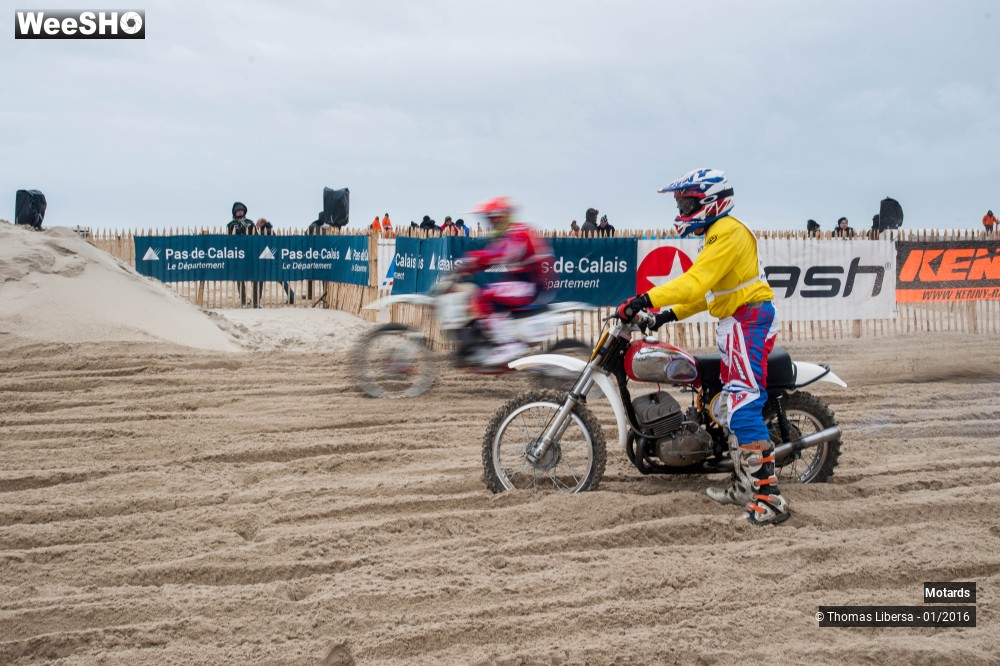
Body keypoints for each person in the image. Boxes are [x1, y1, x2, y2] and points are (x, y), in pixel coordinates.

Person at [614, 168, 788, 526]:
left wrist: (644, 299)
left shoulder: (727, 232)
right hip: (738, 321)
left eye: (686, 203)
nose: (682, 210)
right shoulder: (717, 234)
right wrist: (665, 316)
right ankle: (745, 486)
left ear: (710, 202)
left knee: (742, 407)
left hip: (748, 321)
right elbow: (705, 292)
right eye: (680, 204)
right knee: (725, 407)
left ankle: (769, 499)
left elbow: (694, 283)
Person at [454, 196, 552, 367]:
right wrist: (469, 267)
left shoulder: (519, 232)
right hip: (524, 284)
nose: (490, 223)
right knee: (485, 299)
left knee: (484, 294)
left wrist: (471, 259)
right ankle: (489, 342)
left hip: (531, 286)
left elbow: (500, 254)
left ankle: (508, 344)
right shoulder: (510, 234)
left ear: (502, 217)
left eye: (492, 219)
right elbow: (492, 258)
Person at [256, 217, 295, 305]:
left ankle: (257, 298)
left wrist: (266, 255)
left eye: (257, 223)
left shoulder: (266, 231)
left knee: (260, 278)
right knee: (280, 279)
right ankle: (292, 296)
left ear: (262, 223)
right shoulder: (270, 230)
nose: (256, 225)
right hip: (271, 259)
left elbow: (269, 246)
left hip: (268, 259)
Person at [227, 202, 256, 308]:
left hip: (250, 254)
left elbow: (256, 237)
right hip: (238, 255)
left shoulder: (250, 222)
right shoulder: (231, 224)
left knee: (255, 278)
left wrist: (248, 231)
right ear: (234, 212)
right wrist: (236, 233)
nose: (240, 212)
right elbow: (228, 239)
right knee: (240, 279)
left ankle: (256, 301)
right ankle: (243, 302)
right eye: (238, 211)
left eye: (241, 210)